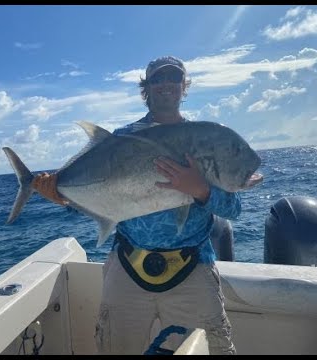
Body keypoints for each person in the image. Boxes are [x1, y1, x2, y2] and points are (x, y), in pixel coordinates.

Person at [93, 56, 241, 355]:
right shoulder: (122, 138)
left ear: (183, 86)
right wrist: (56, 192)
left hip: (193, 266)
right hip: (127, 263)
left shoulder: (206, 138)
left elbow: (234, 208)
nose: (165, 85)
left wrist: (200, 189)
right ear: (145, 88)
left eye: (173, 78)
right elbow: (93, 194)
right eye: (157, 79)